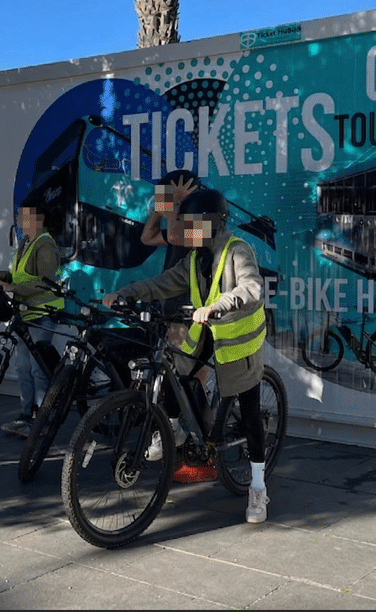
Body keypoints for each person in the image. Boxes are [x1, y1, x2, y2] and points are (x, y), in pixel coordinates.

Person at [103, 188, 272, 524]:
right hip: (208, 331)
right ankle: (178, 427)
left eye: (194, 225)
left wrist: (217, 306)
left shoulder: (237, 250)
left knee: (251, 413)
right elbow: (163, 282)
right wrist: (124, 294)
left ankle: (258, 487)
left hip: (239, 339)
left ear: (213, 223)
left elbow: (252, 288)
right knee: (176, 368)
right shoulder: (194, 260)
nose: (188, 232)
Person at [140, 169, 216, 483]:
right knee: (177, 382)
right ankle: (186, 447)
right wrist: (159, 210)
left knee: (193, 381)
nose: (167, 202)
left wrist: (182, 204)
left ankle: (207, 452)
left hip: (194, 314)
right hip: (171, 312)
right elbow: (147, 237)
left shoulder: (199, 225)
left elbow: (181, 235)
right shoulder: (175, 223)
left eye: (170, 195)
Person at [0, 192, 64, 438]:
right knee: (23, 367)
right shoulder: (26, 242)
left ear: (38, 218)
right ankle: (25, 416)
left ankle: (42, 419)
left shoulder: (45, 244)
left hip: (43, 313)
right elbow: (26, 276)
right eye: (19, 215)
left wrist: (14, 288)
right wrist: (7, 276)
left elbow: (46, 283)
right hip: (26, 314)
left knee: (37, 368)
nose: (20, 219)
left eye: (23, 215)